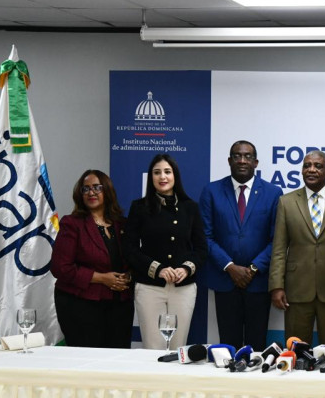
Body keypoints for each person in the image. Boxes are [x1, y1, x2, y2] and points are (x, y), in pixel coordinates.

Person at [268, 151, 325, 348]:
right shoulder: (286, 202)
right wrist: (277, 286)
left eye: (318, 166)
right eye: (307, 165)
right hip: (296, 290)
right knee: (296, 351)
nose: (311, 169)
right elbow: (278, 248)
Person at [199, 140, 282, 350]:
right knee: (228, 346)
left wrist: (253, 269)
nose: (242, 160)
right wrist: (230, 267)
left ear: (256, 162)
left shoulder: (273, 193)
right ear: (229, 160)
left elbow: (278, 240)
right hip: (225, 280)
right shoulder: (212, 191)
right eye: (237, 156)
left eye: (247, 156)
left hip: (258, 282)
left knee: (257, 346)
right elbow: (204, 237)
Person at [123, 154, 207, 349]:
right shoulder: (139, 207)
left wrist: (186, 269)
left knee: (178, 348)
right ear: (151, 177)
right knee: (153, 348)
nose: (163, 177)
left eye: (167, 172)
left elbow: (202, 248)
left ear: (175, 175)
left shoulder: (190, 208)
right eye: (157, 172)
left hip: (183, 288)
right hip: (150, 287)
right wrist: (158, 269)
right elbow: (130, 248)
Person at [51, 169, 134, 348]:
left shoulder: (123, 224)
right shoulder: (72, 224)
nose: (91, 192)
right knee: (87, 361)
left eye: (97, 187)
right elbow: (60, 267)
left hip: (120, 305)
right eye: (86, 189)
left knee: (117, 360)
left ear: (107, 191)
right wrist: (102, 278)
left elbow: (133, 258)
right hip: (80, 305)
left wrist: (129, 275)